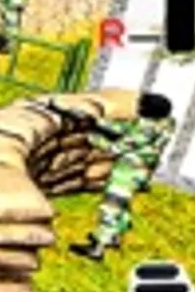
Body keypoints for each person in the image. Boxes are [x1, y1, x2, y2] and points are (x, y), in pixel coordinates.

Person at [71, 92, 176, 260]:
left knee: (112, 206)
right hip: (140, 172)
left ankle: (98, 248)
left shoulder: (146, 129)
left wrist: (92, 138)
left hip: (128, 172)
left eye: (142, 106)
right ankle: (114, 236)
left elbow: (118, 147)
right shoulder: (165, 123)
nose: (139, 108)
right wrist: (98, 123)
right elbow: (128, 129)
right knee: (122, 205)